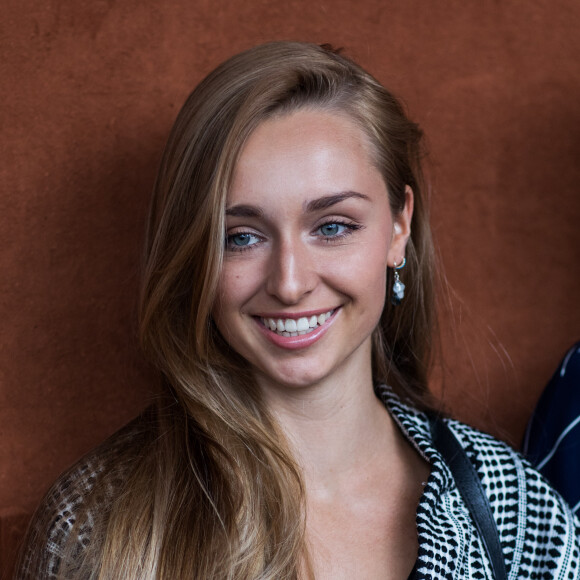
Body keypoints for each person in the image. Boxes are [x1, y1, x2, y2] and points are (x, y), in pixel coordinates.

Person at [16, 41, 579, 579]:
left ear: (399, 226)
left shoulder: (520, 515)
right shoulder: (98, 523)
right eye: (240, 236)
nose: (289, 283)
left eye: (332, 227)